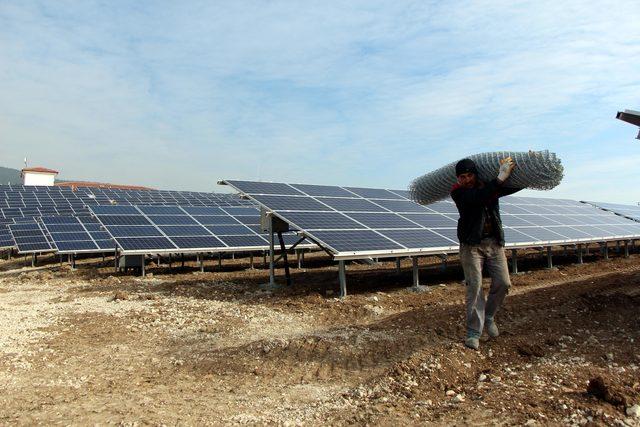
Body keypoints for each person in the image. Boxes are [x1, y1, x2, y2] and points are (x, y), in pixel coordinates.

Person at [450, 157, 521, 350]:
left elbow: (508, 187)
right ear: (458, 179)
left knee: (504, 283)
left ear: (475, 174)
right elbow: (477, 198)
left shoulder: (487, 188)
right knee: (475, 287)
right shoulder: (458, 193)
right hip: (471, 246)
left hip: (494, 242)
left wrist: (528, 171)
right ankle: (474, 332)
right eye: (462, 177)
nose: (467, 179)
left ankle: (488, 316)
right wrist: (499, 179)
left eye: (470, 175)